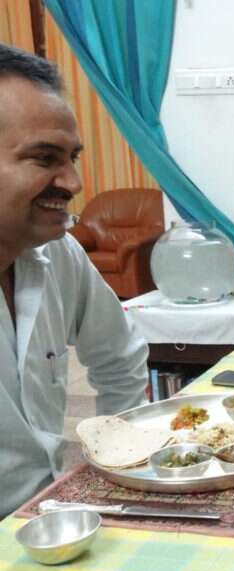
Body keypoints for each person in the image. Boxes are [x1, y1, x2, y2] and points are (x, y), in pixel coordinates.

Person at [0, 45, 149, 518]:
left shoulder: (58, 252)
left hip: (47, 518)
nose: (73, 183)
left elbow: (119, 355)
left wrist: (119, 461)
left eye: (72, 158)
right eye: (44, 159)